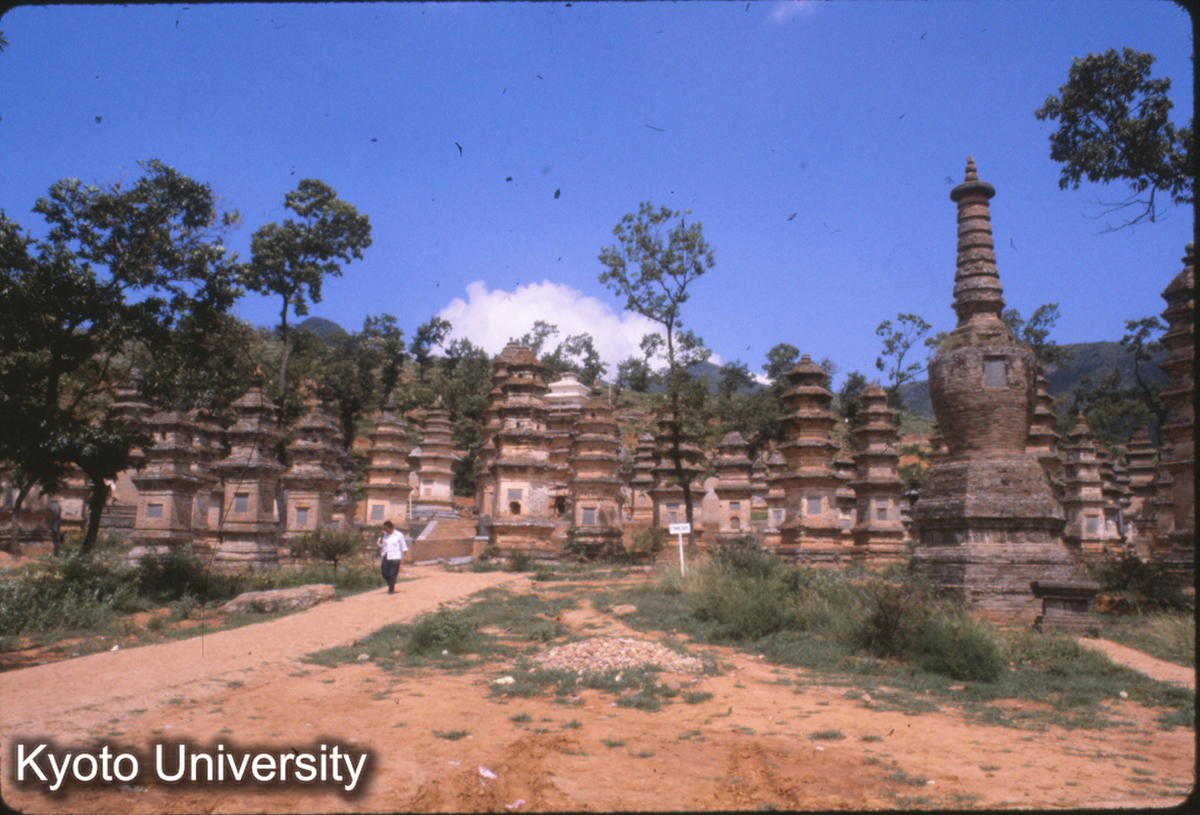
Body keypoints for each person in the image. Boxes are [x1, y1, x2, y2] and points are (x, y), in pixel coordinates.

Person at [377, 520, 408, 594]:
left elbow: (403, 545)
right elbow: (380, 544)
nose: (385, 530)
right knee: (384, 573)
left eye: (386, 528)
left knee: (393, 573)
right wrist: (381, 536)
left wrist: (405, 555)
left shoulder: (398, 534)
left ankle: (391, 589)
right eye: (384, 528)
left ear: (391, 527)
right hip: (386, 555)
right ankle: (391, 583)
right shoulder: (384, 535)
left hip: (395, 556)